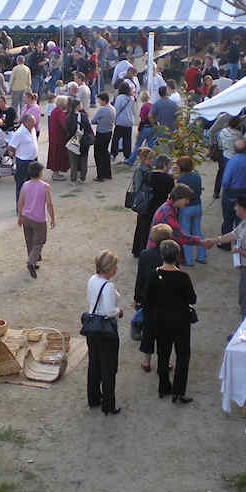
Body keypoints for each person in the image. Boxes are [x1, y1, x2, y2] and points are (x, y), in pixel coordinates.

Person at [143, 240, 196, 403]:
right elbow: (192, 299)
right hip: (180, 320)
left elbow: (147, 299)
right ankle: (179, 392)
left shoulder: (154, 275)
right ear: (177, 256)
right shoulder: (183, 277)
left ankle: (164, 386)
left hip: (160, 320)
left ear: (162, 256)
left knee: (163, 353)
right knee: (183, 355)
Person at [202, 196, 246, 317]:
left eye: (236, 206)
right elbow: (234, 234)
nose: (235, 208)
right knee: (245, 297)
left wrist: (238, 250)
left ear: (243, 209)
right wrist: (214, 240)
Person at [85, 251, 123, 415]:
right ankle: (109, 404)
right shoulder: (108, 286)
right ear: (109, 268)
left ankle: (93, 398)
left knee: (94, 364)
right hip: (106, 329)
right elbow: (109, 311)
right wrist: (118, 310)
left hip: (92, 328)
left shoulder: (93, 279)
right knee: (109, 368)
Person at [135, 225, 175, 372]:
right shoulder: (171, 256)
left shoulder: (145, 255)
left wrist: (137, 298)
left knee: (148, 330)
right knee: (165, 332)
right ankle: (165, 361)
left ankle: (146, 360)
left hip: (148, 299)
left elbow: (140, 278)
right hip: (166, 300)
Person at [17, 162, 55, 279]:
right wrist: (52, 218)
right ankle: (31, 262)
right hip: (38, 219)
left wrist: (20, 216)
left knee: (29, 241)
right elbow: (49, 204)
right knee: (39, 241)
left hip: (26, 217)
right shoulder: (45, 186)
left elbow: (20, 202)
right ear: (40, 173)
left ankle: (33, 261)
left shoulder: (25, 185)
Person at [175, 156, 206, 265]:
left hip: (186, 209)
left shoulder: (181, 179)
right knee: (197, 231)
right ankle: (201, 256)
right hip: (197, 206)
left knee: (185, 233)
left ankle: (188, 260)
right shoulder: (197, 176)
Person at [129, 147, 156, 258]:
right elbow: (137, 186)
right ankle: (139, 250)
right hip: (143, 201)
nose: (151, 161)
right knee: (142, 226)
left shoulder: (149, 168)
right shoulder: (141, 170)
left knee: (144, 226)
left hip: (148, 200)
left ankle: (140, 249)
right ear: (143, 158)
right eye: (150, 159)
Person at [7, 113, 38, 202]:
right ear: (25, 122)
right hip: (23, 162)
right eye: (32, 122)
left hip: (33, 160)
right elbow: (11, 146)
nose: (34, 123)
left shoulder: (32, 129)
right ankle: (20, 208)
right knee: (21, 186)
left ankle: (29, 206)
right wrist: (16, 154)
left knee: (32, 185)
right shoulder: (19, 133)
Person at [65, 98, 93, 183]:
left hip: (73, 140)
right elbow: (88, 128)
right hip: (83, 140)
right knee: (84, 159)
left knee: (73, 161)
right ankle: (82, 178)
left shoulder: (68, 117)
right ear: (77, 106)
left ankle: (73, 179)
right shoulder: (84, 116)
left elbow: (67, 130)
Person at [91, 92, 114, 181]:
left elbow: (93, 120)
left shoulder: (102, 109)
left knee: (98, 154)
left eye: (99, 100)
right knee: (105, 152)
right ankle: (107, 173)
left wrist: (98, 122)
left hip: (101, 132)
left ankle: (100, 175)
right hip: (109, 132)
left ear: (104, 100)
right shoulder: (112, 108)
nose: (98, 102)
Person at [46, 95, 70, 180]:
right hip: (59, 137)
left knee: (55, 154)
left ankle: (56, 173)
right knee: (57, 155)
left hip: (54, 136)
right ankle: (56, 174)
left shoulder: (55, 110)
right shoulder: (59, 112)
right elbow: (64, 124)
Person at [110, 84, 134, 161]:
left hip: (120, 121)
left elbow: (116, 109)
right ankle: (127, 156)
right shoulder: (132, 98)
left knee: (115, 139)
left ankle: (113, 153)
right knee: (127, 140)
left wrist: (114, 119)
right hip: (129, 121)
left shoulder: (120, 98)